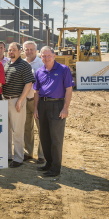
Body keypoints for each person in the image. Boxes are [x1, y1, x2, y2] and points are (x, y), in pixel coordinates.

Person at [34, 46, 74, 177]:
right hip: (42, 105)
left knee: (56, 138)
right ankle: (49, 163)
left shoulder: (64, 69)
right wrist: (35, 108)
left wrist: (65, 108)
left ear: (54, 55)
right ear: (41, 57)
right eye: (43, 56)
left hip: (57, 105)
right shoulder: (39, 71)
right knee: (44, 137)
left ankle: (56, 168)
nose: (46, 58)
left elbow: (69, 89)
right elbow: (37, 92)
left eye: (48, 55)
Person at [2, 42, 35, 168]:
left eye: (14, 50)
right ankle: (8, 155)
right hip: (5, 100)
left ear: (20, 51)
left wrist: (20, 100)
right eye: (9, 50)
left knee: (17, 131)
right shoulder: (7, 64)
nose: (11, 52)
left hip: (17, 101)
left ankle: (18, 157)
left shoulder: (24, 65)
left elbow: (28, 84)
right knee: (7, 130)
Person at [23, 41, 45, 164]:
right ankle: (28, 152)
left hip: (38, 101)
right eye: (27, 49)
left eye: (32, 49)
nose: (29, 51)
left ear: (36, 50)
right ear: (23, 50)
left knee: (41, 128)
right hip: (25, 100)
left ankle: (42, 154)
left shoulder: (42, 63)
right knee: (27, 128)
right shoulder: (22, 63)